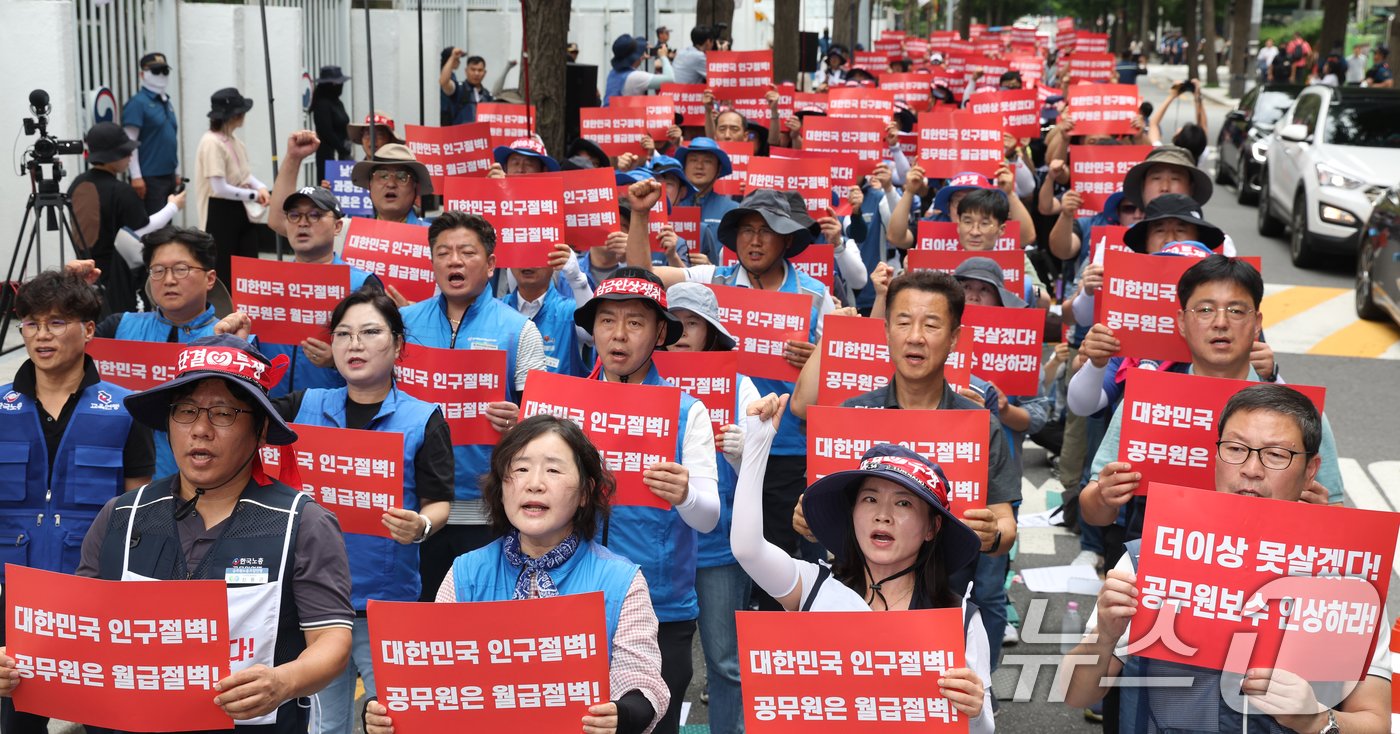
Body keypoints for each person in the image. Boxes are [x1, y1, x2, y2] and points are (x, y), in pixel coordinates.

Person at [19, 334, 351, 730]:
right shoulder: (122, 516)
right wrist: (22, 664)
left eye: (224, 413)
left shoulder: (302, 521)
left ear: (261, 430)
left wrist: (283, 681)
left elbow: (331, 638)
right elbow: (78, 628)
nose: (200, 430)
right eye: (186, 411)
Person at [1059, 384, 1391, 732]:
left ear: (1311, 470)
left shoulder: (1349, 581)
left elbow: (1375, 721)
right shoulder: (1153, 559)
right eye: (1235, 449)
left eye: (1276, 455)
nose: (1251, 469)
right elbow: (1075, 694)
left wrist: (1318, 721)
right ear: (1215, 456)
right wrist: (1105, 637)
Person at [363, 414, 669, 734]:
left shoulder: (621, 580)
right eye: (520, 469)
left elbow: (640, 682)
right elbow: (431, 677)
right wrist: (384, 713)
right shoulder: (465, 573)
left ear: (585, 492)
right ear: (501, 486)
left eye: (553, 469)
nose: (533, 482)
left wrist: (621, 715)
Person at [790, 270, 1022, 669]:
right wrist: (808, 517)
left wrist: (993, 532)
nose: (915, 336)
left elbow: (1005, 525)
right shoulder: (851, 415)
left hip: (943, 602)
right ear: (885, 331)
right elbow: (827, 513)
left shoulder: (977, 423)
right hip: (857, 603)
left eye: (931, 324)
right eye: (903, 322)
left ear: (953, 338)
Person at [625, 184, 836, 607]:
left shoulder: (817, 296)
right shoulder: (713, 281)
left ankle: (775, 653)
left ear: (788, 240)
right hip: (719, 448)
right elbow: (641, 283)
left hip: (788, 451)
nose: (755, 240)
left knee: (780, 563)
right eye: (746, 230)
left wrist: (817, 357)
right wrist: (641, 217)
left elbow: (837, 380)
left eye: (767, 230)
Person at [730, 394, 993, 733]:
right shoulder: (814, 587)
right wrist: (758, 442)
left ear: (932, 527)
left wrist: (974, 711)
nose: (882, 515)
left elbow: (983, 730)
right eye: (870, 499)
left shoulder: (960, 619)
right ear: (852, 513)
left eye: (903, 504)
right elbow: (747, 549)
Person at [276, 289, 452, 734]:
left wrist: (422, 525)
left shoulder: (423, 417)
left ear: (397, 345)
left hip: (385, 604)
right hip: (315, 605)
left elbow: (440, 501)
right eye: (343, 334)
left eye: (370, 333)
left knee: (396, 721)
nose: (354, 345)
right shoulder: (303, 407)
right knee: (324, 724)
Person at [1072, 255, 1345, 532]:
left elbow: (1335, 515)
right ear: (1181, 322)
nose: (1220, 322)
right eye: (1204, 310)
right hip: (1164, 564)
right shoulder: (1148, 404)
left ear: (1257, 322)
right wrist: (1104, 497)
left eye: (1236, 311)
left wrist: (1321, 517)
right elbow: (1094, 513)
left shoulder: (1298, 412)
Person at [0, 271, 154, 734]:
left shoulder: (126, 409)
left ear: (88, 330)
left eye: (56, 322)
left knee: (109, 722)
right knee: (16, 723)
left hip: (95, 600)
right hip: (13, 602)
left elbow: (136, 514)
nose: (41, 334)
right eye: (30, 322)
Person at [572, 269, 720, 734]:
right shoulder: (561, 403)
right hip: (571, 601)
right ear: (592, 329)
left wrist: (685, 495)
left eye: (635, 322)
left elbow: (708, 517)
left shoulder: (685, 409)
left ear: (659, 333)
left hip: (661, 609)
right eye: (607, 320)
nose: (618, 334)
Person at [399, 211, 547, 599]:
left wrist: (519, 421)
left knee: (482, 615)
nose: (454, 261)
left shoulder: (518, 329)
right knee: (424, 617)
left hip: (487, 508)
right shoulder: (403, 325)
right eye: (443, 252)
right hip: (417, 505)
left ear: (491, 263)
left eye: (467, 252)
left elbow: (542, 422)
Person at [662, 281, 759, 734]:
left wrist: (743, 452)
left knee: (724, 659)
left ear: (710, 332)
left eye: (692, 323)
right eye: (673, 321)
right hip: (655, 544)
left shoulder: (740, 387)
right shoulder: (640, 383)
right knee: (651, 659)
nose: (681, 332)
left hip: (715, 546)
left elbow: (759, 476)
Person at [88, 226, 224, 479]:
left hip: (200, 482)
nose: (169, 280)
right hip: (121, 477)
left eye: (181, 269)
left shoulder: (232, 340)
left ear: (210, 278)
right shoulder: (119, 327)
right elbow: (63, 355)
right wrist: (74, 294)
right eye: (158, 271)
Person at [67, 121, 184, 314]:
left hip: (83, 274)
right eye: (126, 152)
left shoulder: (76, 183)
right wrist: (173, 206)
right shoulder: (120, 191)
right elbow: (143, 229)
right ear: (112, 156)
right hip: (115, 278)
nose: (130, 156)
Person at [196, 87, 271, 285]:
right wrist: (254, 195)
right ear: (235, 115)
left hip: (239, 211)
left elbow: (245, 174)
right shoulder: (211, 142)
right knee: (224, 274)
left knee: (248, 268)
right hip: (219, 212)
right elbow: (219, 188)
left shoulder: (234, 140)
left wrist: (261, 187)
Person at [504, 243, 592, 377]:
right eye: (521, 254)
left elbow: (592, 334)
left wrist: (578, 279)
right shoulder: (496, 310)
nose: (528, 263)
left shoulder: (569, 311)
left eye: (536, 255)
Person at [121, 51, 180, 214]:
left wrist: (176, 171)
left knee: (166, 226)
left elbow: (170, 138)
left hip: (168, 175)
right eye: (155, 71)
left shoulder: (166, 101)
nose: (161, 75)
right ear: (142, 74)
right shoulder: (137, 104)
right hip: (149, 177)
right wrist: (136, 176)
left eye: (164, 71)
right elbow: (130, 142)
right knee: (153, 228)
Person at [676, 137, 739, 264]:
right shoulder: (670, 206)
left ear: (719, 169)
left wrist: (712, 268)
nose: (699, 166)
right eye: (693, 160)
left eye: (708, 161)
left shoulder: (733, 210)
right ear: (684, 166)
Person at [350, 141, 435, 225]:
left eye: (401, 177)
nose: (391, 184)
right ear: (370, 185)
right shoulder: (354, 235)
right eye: (383, 176)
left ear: (416, 188)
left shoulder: (431, 236)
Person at [605, 34, 673, 106]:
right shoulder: (635, 77)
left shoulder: (612, 73)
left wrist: (639, 58)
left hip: (609, 115)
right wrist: (663, 56)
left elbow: (630, 67)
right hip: (622, 116)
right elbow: (670, 79)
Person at [309, 65, 353, 176]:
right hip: (328, 156)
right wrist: (341, 148)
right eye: (337, 83)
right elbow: (326, 131)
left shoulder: (338, 103)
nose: (340, 86)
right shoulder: (322, 105)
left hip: (342, 155)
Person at [439, 49, 495, 125]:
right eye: (473, 69)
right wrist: (452, 57)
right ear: (466, 71)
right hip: (459, 135)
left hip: (480, 135)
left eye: (480, 70)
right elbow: (443, 82)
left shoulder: (487, 95)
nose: (476, 73)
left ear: (484, 73)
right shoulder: (458, 89)